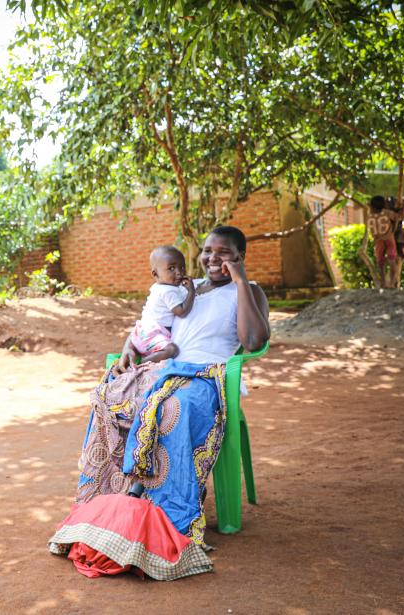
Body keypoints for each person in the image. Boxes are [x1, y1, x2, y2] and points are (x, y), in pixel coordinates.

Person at [48, 225, 269, 580]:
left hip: (205, 375)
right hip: (164, 367)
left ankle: (162, 513)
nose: (213, 258)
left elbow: (254, 339)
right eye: (208, 250)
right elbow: (151, 322)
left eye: (224, 252)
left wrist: (241, 281)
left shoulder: (251, 291)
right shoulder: (185, 288)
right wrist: (127, 348)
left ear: (240, 257)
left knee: (171, 409)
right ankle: (110, 504)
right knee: (111, 398)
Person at [115, 245, 195, 367]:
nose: (179, 272)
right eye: (171, 268)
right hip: (152, 334)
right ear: (155, 274)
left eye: (182, 267)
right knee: (172, 350)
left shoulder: (161, 287)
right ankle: (142, 364)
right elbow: (181, 311)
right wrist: (191, 292)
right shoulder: (168, 291)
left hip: (142, 332)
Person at [367, 195, 404, 287]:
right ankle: (391, 283)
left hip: (377, 239)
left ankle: (383, 283)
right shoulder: (386, 212)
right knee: (392, 259)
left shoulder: (369, 215)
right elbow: (398, 217)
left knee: (380, 262)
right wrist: (402, 210)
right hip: (389, 237)